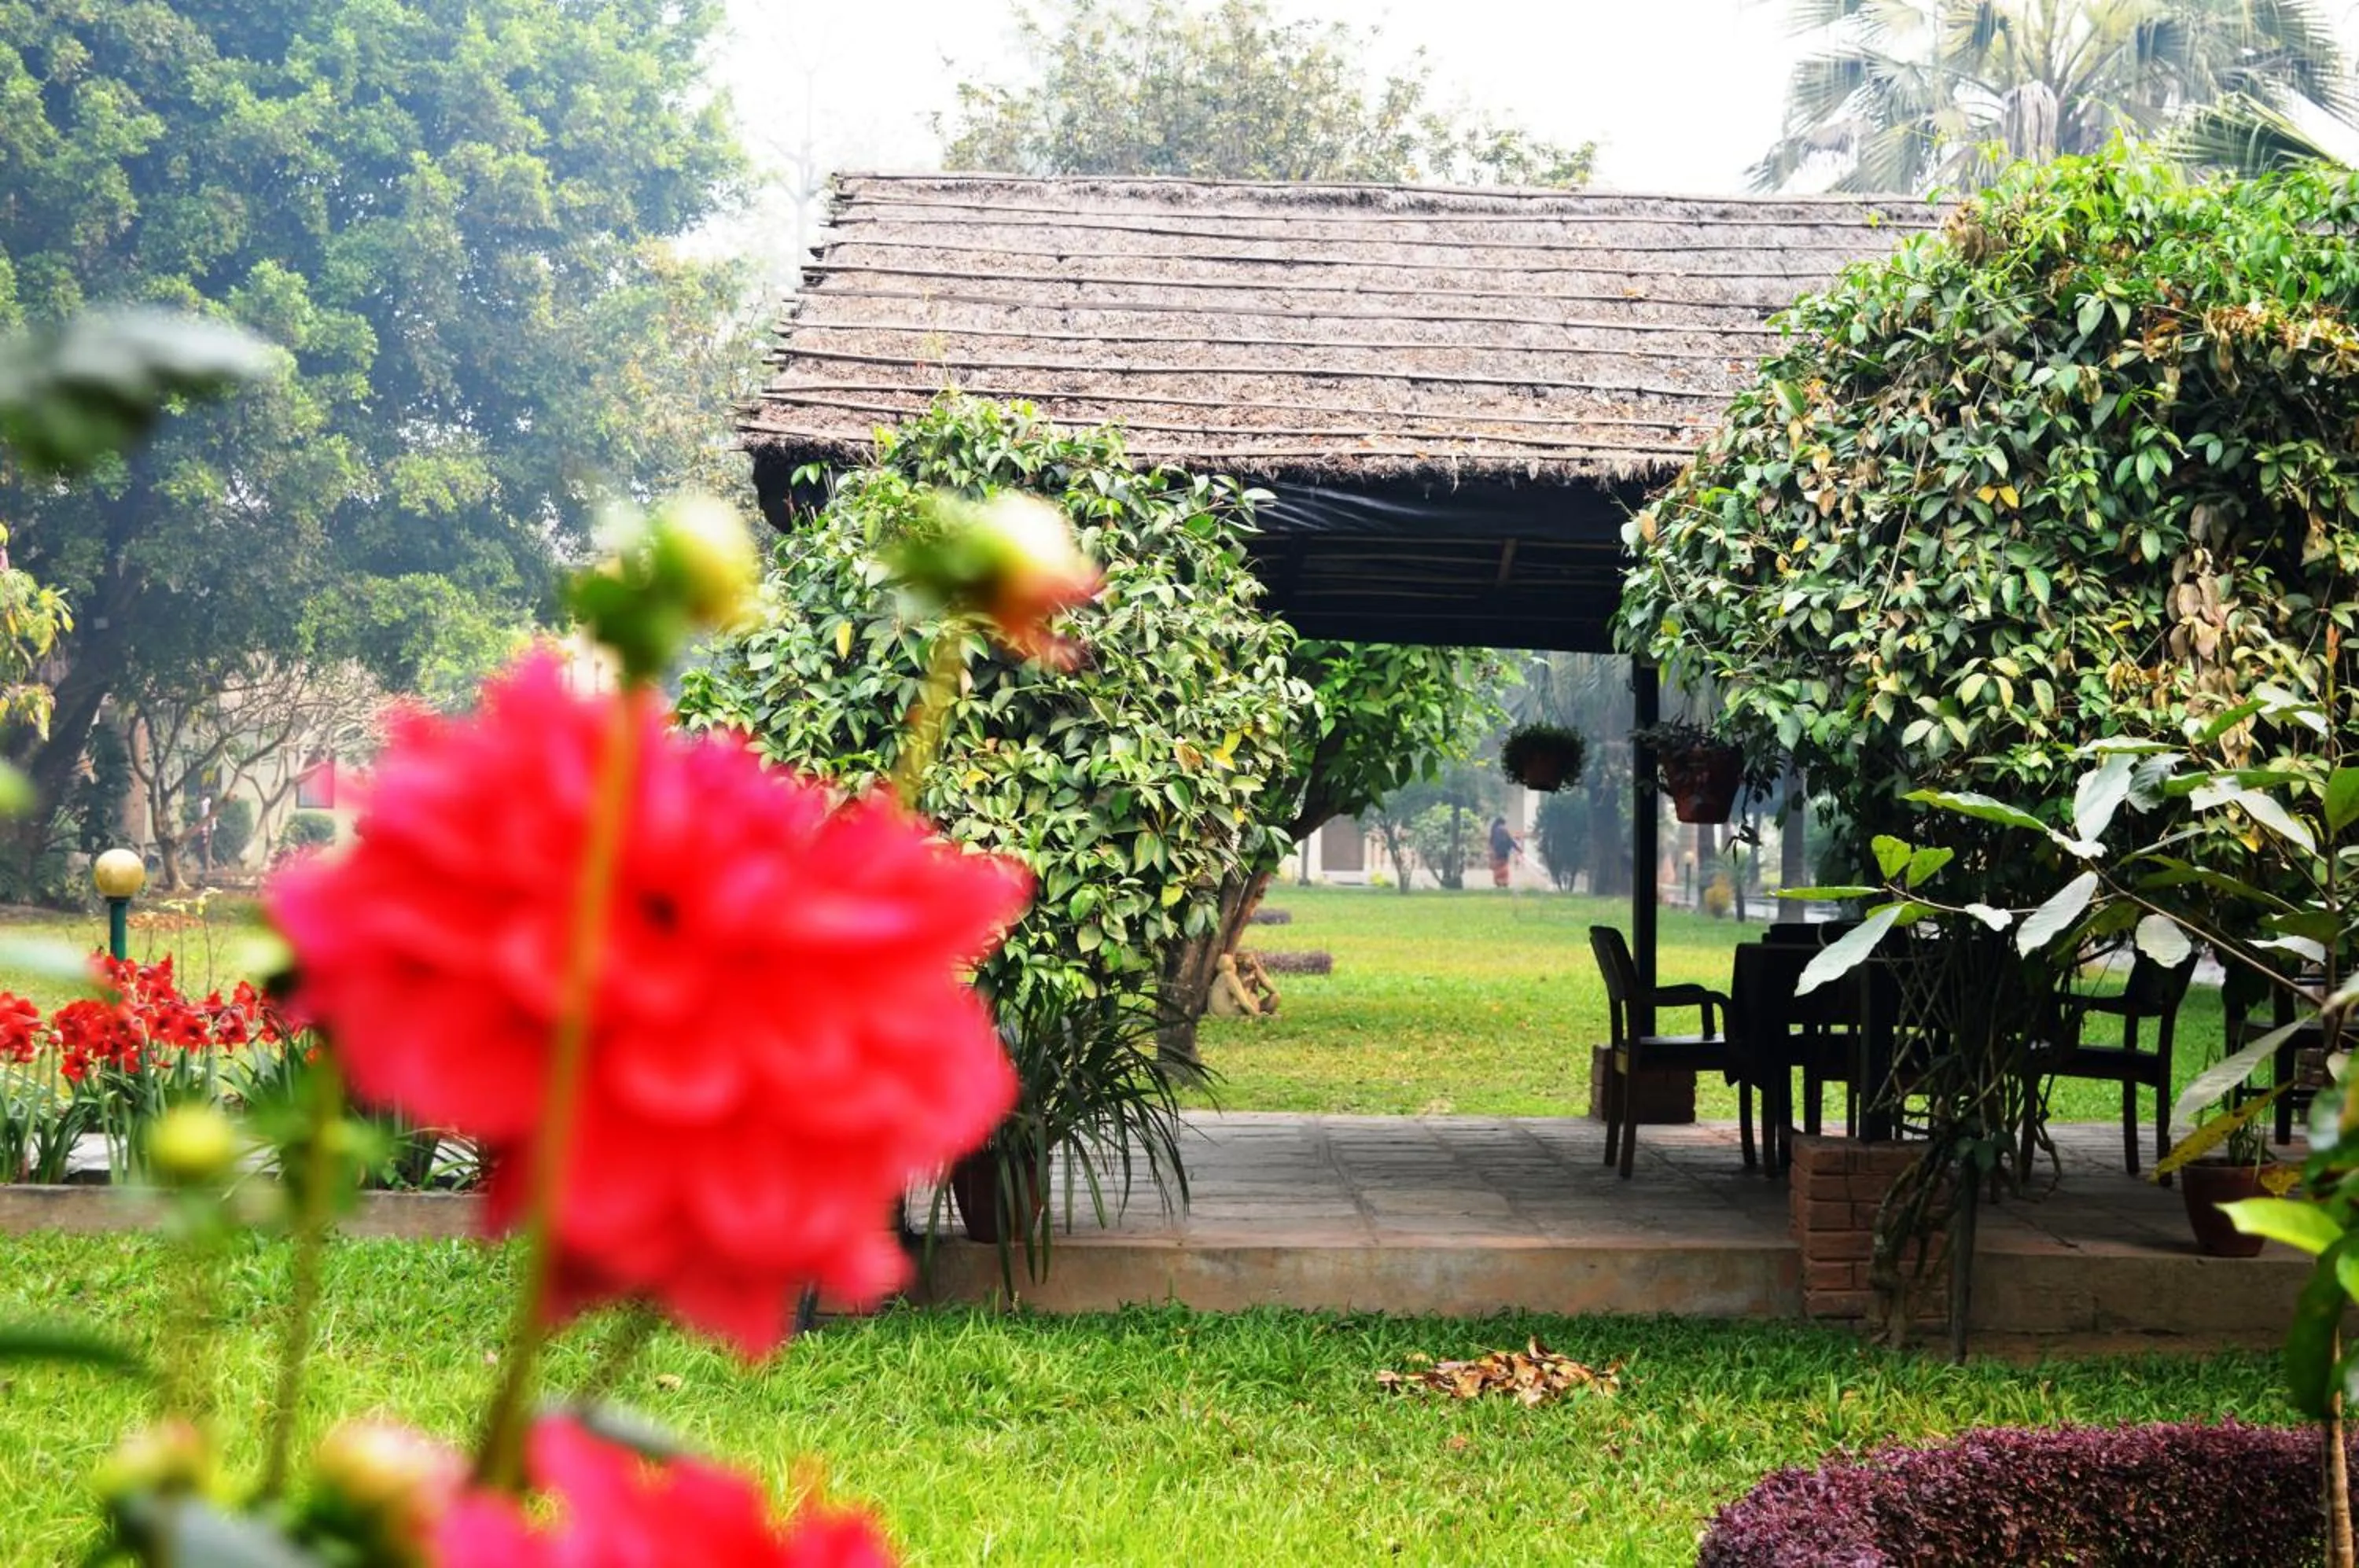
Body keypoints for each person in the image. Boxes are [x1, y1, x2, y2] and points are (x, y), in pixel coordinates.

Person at [1488, 814, 1518, 889]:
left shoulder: (1494, 830)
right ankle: (1504, 882)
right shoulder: (1504, 830)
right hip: (1504, 852)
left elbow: (1491, 842)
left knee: (1497, 867)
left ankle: (1498, 882)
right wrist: (1517, 848)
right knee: (1504, 867)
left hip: (1496, 852)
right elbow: (1510, 841)